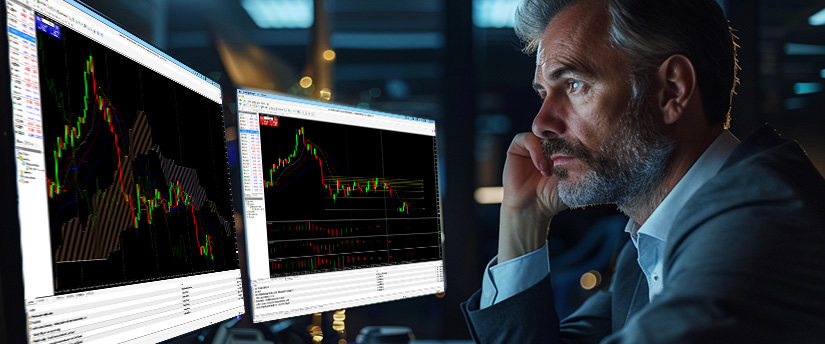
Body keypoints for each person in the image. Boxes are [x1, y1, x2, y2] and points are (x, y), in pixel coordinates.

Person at [460, 0, 825, 342]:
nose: (540, 124)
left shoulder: (764, 214)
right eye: (544, 93)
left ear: (672, 90)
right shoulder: (647, 247)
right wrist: (522, 218)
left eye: (573, 84)